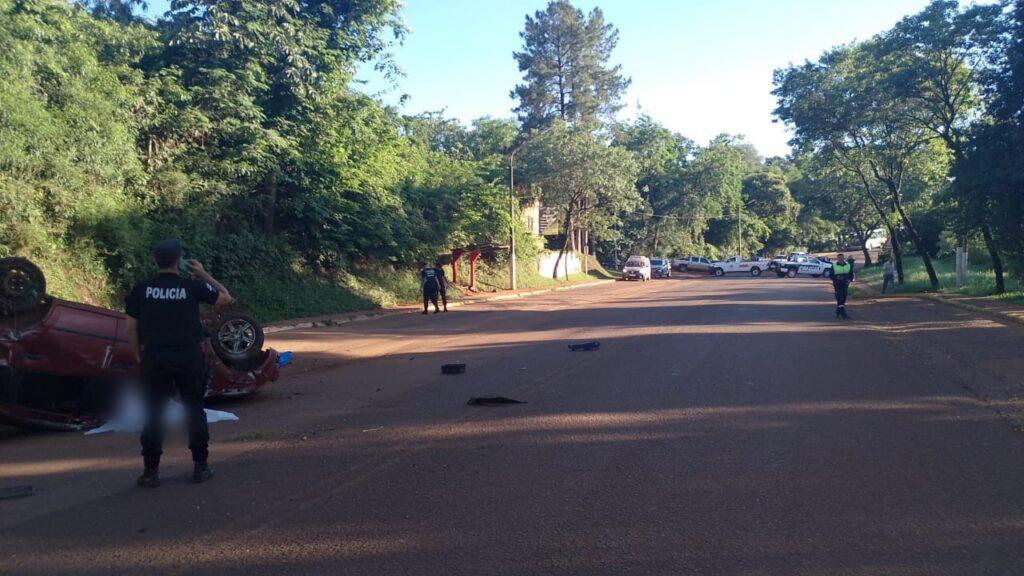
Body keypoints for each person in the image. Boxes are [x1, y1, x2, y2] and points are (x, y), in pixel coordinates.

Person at [125, 239, 233, 488]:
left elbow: (130, 327)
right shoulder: (191, 286)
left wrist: (139, 355)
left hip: (154, 356)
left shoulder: (142, 289)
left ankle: (150, 472)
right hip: (187, 356)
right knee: (194, 409)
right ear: (179, 260)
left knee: (153, 413)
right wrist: (203, 273)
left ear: (156, 260)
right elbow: (225, 298)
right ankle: (200, 467)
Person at [830, 253, 854, 319]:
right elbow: (831, 275)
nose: (840, 259)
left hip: (845, 284)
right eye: (839, 258)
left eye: (842, 258)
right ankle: (844, 315)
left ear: (844, 258)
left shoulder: (848, 265)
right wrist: (836, 278)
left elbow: (851, 274)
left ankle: (838, 313)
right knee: (840, 299)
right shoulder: (834, 265)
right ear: (837, 259)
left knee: (843, 299)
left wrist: (850, 280)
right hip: (837, 285)